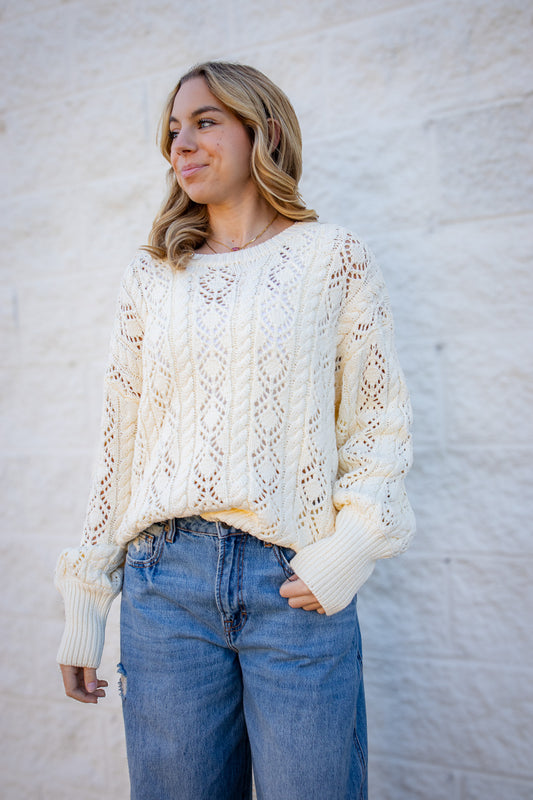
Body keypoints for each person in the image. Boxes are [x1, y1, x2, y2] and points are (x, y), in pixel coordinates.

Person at [55, 61, 415, 800]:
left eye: (204, 122)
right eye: (172, 131)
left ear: (264, 132)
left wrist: (347, 551)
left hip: (295, 584)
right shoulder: (153, 275)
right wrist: (87, 596)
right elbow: (120, 444)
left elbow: (377, 424)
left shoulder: (332, 258)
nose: (180, 144)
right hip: (165, 588)